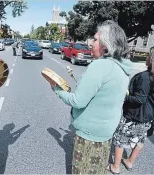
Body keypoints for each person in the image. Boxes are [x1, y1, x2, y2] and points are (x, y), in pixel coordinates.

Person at [49, 20, 132, 174]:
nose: (90, 44)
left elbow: (77, 101)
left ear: (105, 45)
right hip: (105, 134)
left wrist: (57, 90)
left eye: (95, 40)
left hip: (89, 136)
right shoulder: (122, 67)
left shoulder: (99, 66)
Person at [109, 45, 154, 174]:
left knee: (120, 139)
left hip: (134, 115)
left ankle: (116, 166)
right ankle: (129, 162)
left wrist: (124, 96)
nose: (148, 57)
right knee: (140, 139)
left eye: (150, 55)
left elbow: (140, 99)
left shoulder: (145, 77)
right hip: (149, 115)